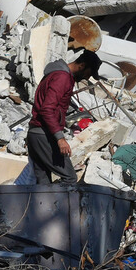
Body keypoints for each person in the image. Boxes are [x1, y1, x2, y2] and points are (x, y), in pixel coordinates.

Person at [26, 50, 101, 184]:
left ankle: (42, 204)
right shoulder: (62, 77)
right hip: (44, 134)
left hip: (35, 133)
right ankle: (57, 204)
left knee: (42, 181)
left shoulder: (55, 74)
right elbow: (47, 109)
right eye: (87, 74)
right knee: (70, 178)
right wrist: (60, 138)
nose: (85, 78)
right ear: (82, 65)